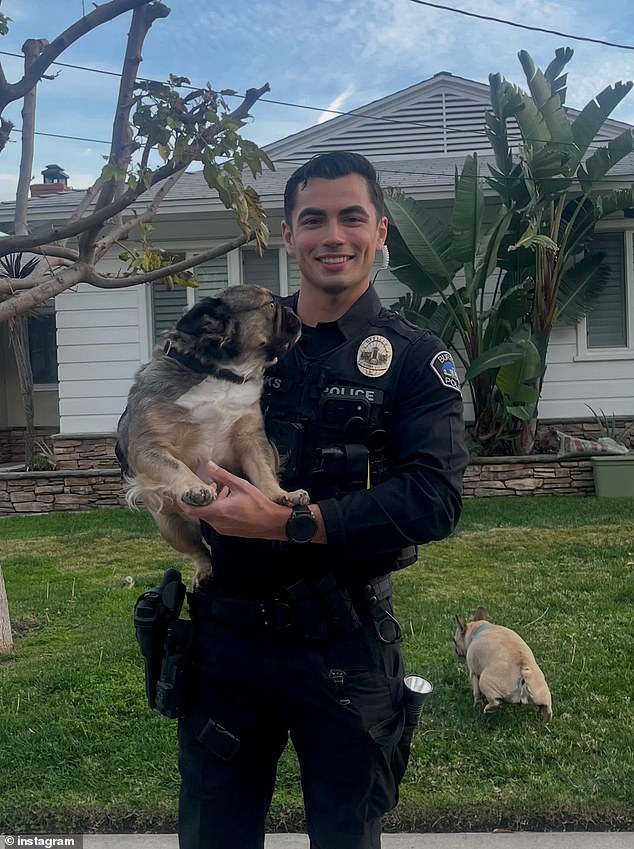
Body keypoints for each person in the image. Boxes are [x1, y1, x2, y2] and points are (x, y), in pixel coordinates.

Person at [176, 151, 469, 849]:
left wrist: (287, 522)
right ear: (287, 236)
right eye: (313, 219)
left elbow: (434, 498)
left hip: (343, 647)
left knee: (345, 837)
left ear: (381, 231)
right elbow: (151, 423)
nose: (332, 235)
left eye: (351, 217)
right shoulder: (234, 342)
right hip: (227, 640)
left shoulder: (414, 360)